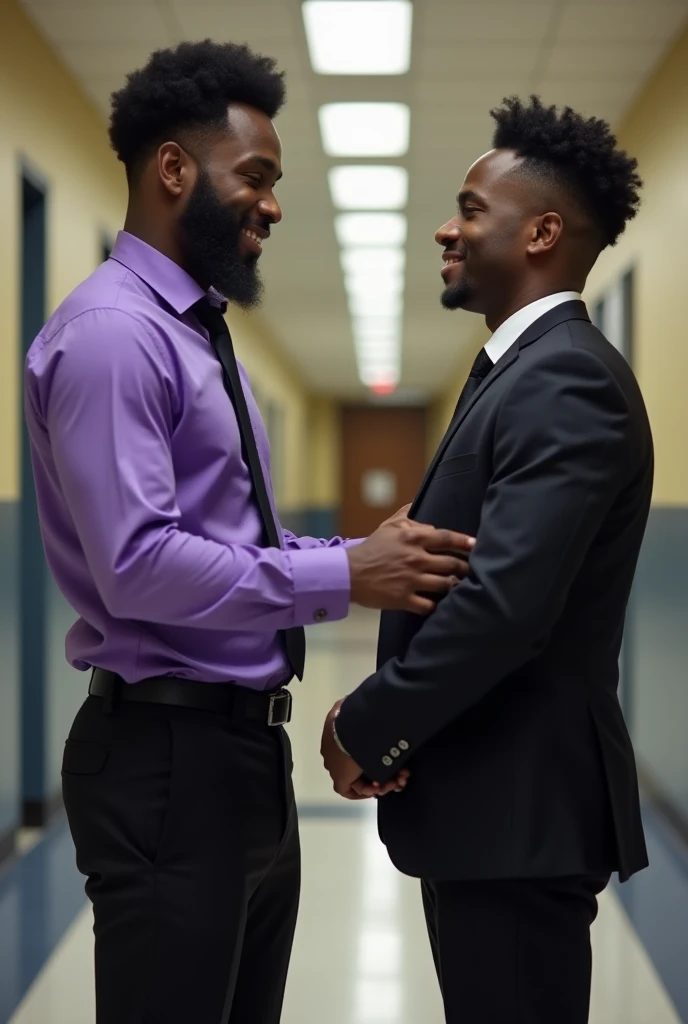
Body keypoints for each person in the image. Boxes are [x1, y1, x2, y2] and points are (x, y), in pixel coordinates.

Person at [24, 41, 474, 1024]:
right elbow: (140, 566)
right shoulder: (114, 336)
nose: (272, 205)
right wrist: (348, 571)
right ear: (173, 170)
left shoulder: (195, 334)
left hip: (241, 758)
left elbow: (233, 535)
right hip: (166, 760)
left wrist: (352, 559)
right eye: (256, 178)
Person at [322, 95, 653, 1024]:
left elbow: (505, 606)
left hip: (519, 816)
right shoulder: (522, 374)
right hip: (488, 810)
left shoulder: (567, 376)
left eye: (470, 209)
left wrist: (367, 725)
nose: (447, 227)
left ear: (542, 232)